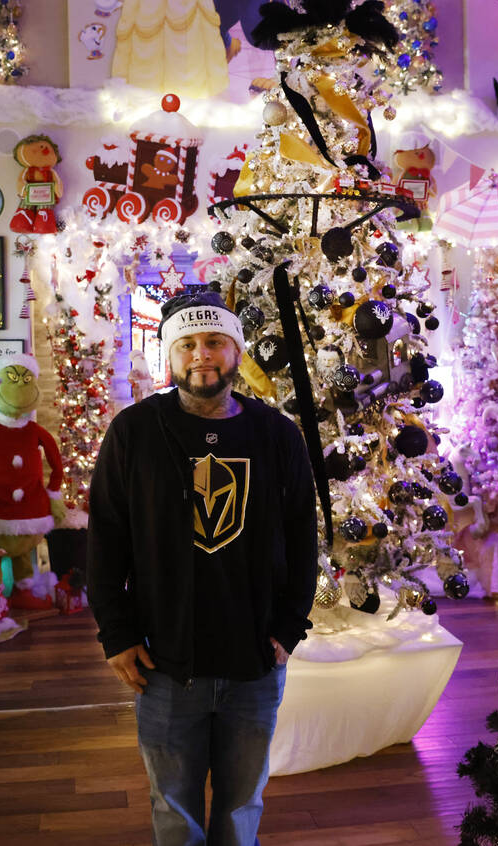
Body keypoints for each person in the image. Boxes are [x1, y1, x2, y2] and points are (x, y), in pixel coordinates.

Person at [87, 290, 318, 846]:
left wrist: (289, 628)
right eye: (187, 344)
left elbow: (303, 539)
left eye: (215, 341)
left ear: (236, 352)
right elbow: (105, 540)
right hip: (164, 660)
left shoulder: (278, 434)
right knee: (174, 809)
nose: (201, 355)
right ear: (169, 356)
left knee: (242, 808)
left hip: (256, 659)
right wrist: (116, 634)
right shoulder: (134, 432)